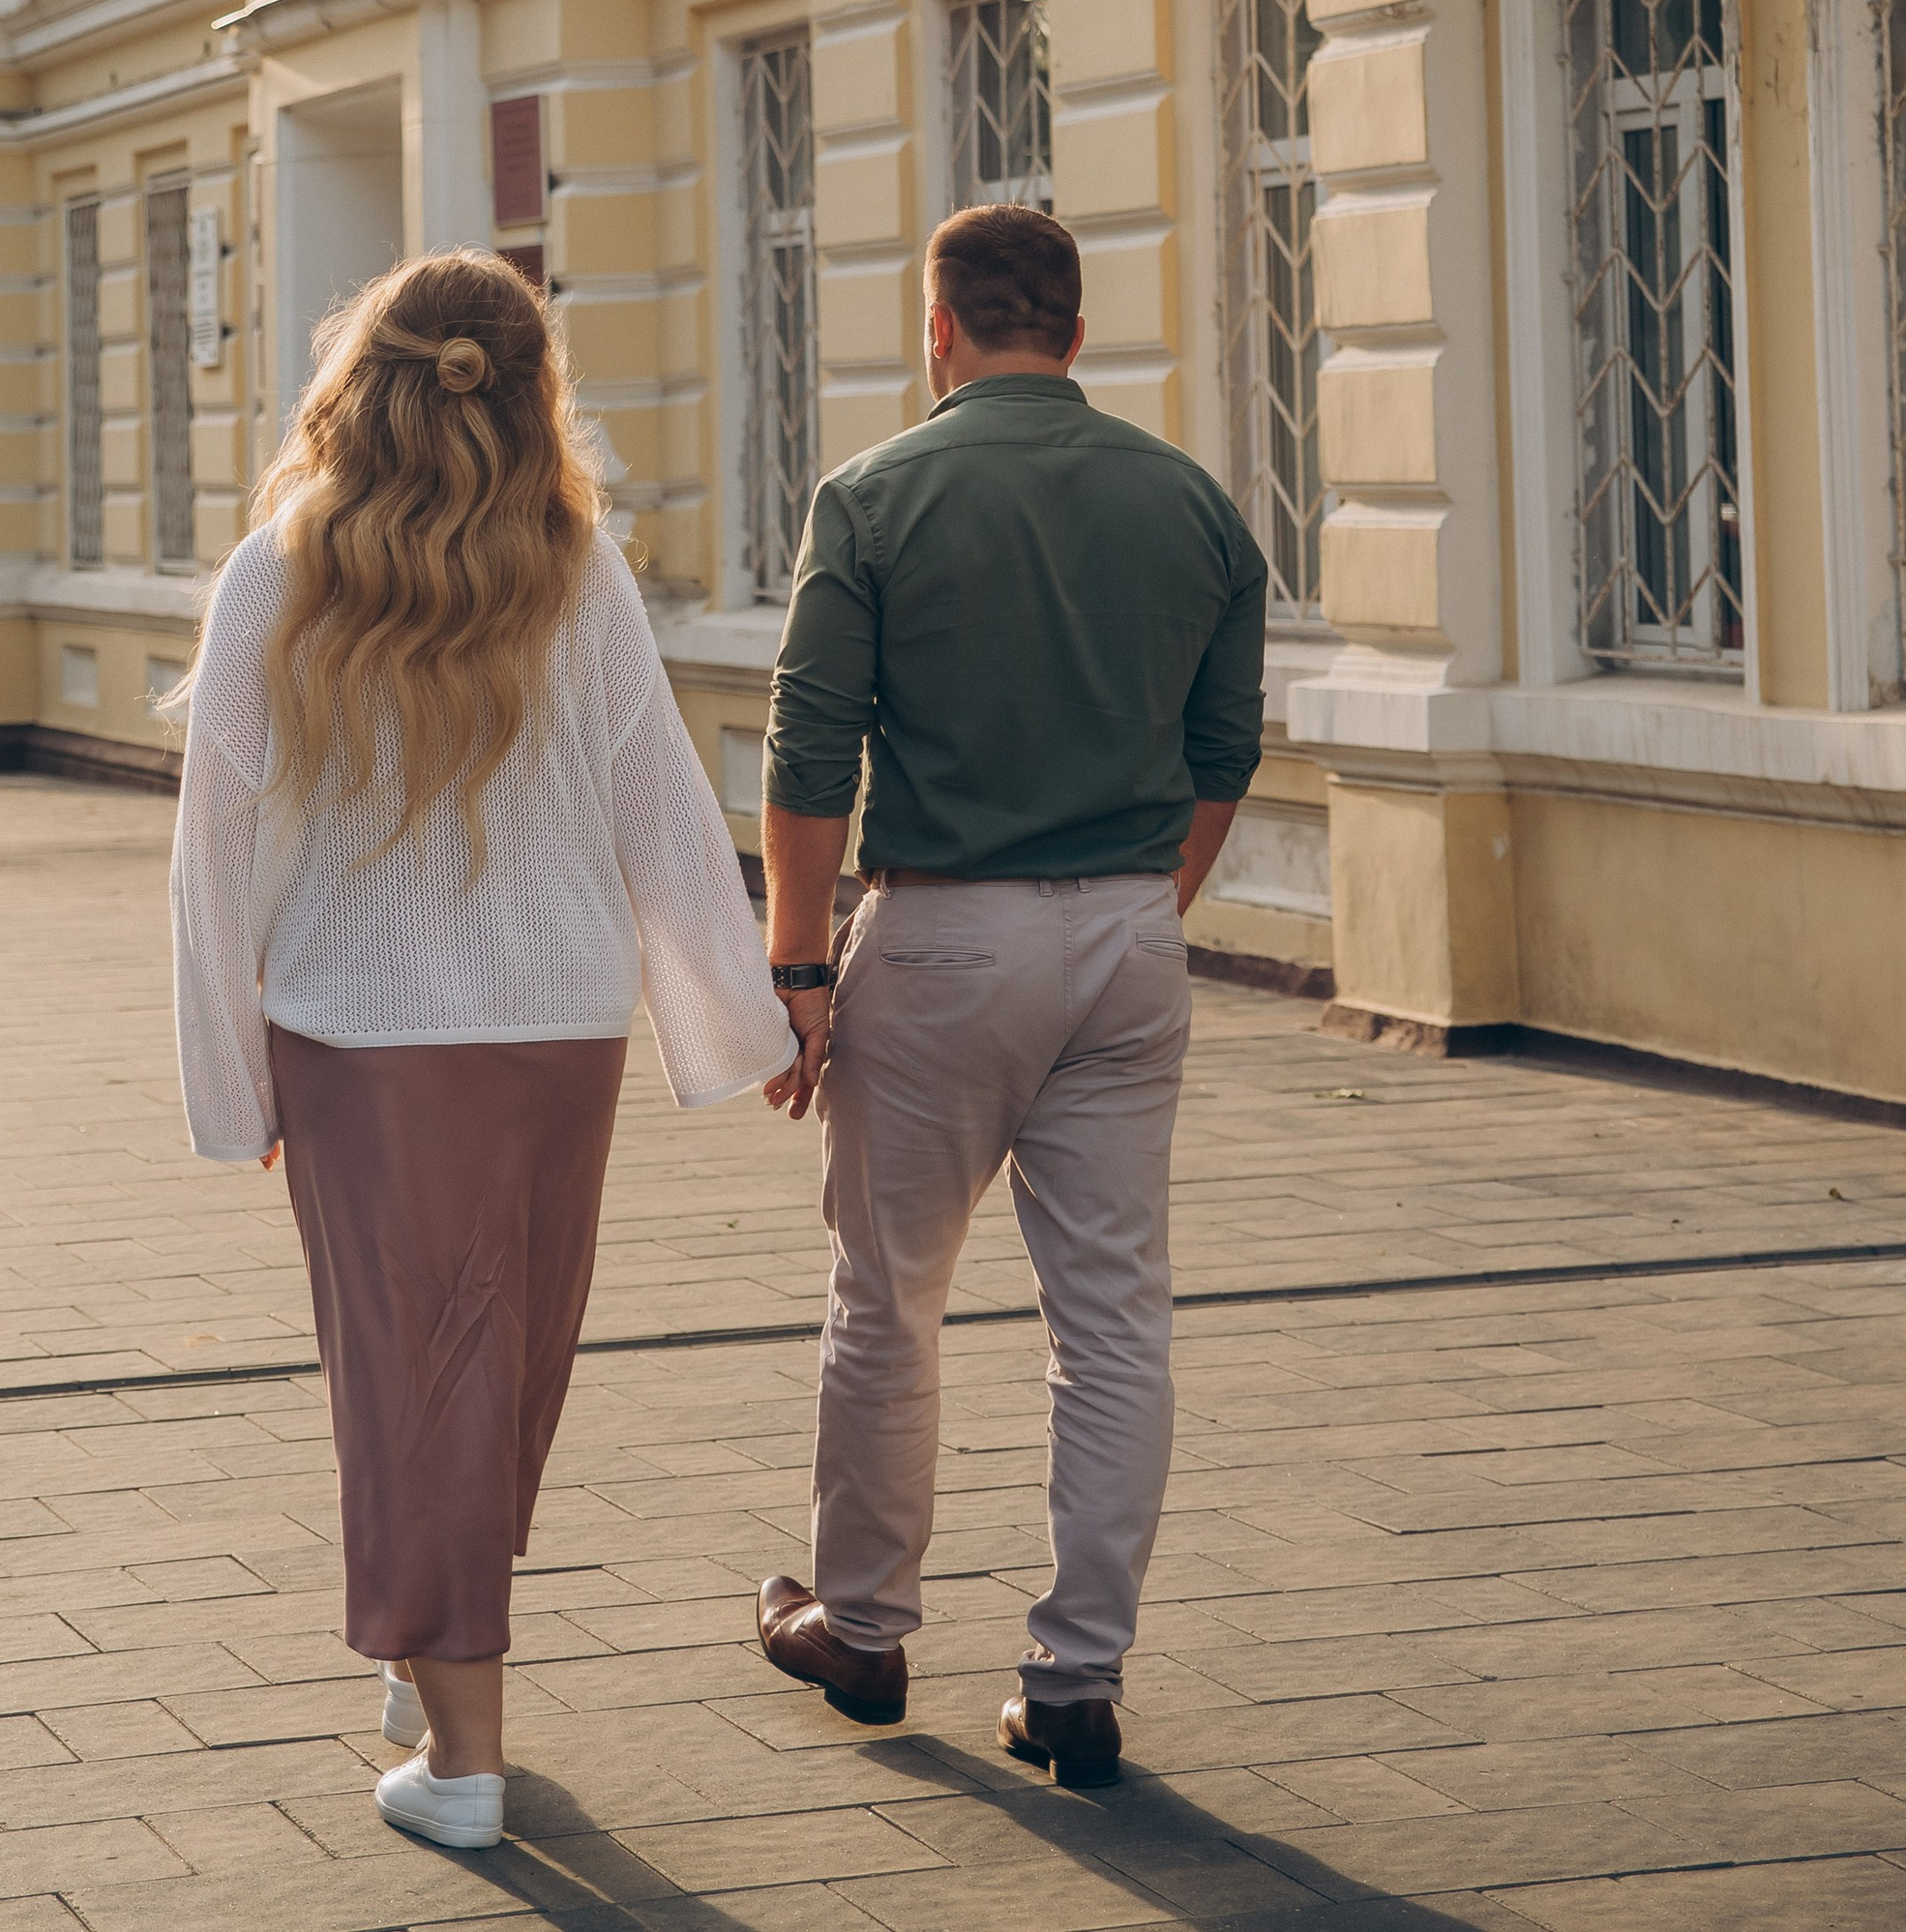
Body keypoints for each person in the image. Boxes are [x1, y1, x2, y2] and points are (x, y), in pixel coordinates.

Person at [169, 248, 790, 1856]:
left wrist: (228, 1079)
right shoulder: (578, 570)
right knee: (500, 1369)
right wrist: (750, 1015)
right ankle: (426, 1638)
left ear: (357, 381)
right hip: (555, 1037)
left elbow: (216, 851)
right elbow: (665, 804)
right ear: (532, 394)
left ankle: (462, 1764)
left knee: (411, 1378)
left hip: (362, 1045)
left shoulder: (277, 574)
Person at [753, 201, 1265, 1788]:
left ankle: (862, 1625)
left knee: (888, 1295)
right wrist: (1138, 909)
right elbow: (1224, 753)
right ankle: (1075, 1681)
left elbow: (807, 748)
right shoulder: (1190, 504)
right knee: (1113, 1318)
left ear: (940, 330)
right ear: (1078, 333)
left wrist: (797, 969)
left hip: (943, 939)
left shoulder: (877, 494)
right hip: (1130, 937)